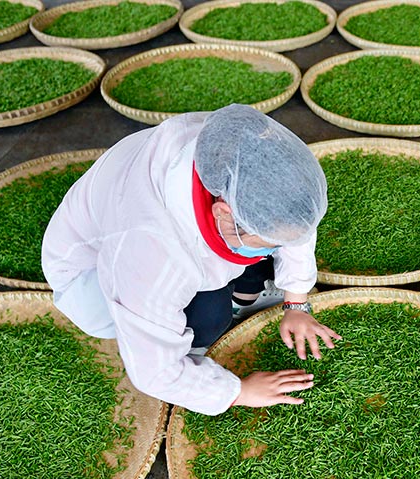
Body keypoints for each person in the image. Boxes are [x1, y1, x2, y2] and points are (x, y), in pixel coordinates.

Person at [42, 104, 340, 415]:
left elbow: (293, 222)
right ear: (223, 212)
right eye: (270, 241)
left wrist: (296, 303)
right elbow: (154, 371)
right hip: (90, 276)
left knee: (261, 249)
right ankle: (201, 340)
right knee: (210, 316)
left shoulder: (238, 147)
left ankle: (244, 294)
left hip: (167, 231)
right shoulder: (151, 252)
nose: (280, 246)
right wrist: (238, 391)